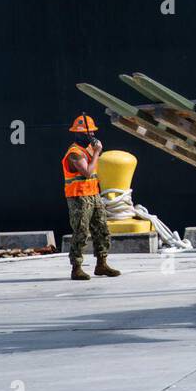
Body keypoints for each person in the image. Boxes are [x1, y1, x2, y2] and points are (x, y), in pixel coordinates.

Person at [62, 115, 120, 280]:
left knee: (102, 229)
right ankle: (76, 267)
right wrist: (97, 152)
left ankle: (102, 264)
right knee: (81, 231)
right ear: (78, 134)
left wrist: (94, 152)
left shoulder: (86, 150)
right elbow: (87, 172)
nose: (93, 135)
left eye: (93, 132)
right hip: (79, 197)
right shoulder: (74, 153)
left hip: (93, 195)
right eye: (90, 133)